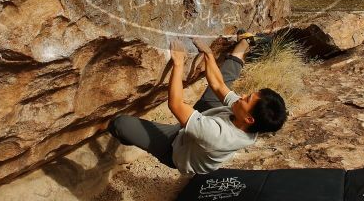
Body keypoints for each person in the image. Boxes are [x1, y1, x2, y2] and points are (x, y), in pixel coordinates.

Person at [107, 34, 287, 174]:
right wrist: (208, 54)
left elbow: (176, 105)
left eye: (248, 99)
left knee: (120, 124)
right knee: (224, 79)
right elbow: (218, 85)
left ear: (249, 119)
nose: (244, 95)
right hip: (208, 120)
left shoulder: (218, 135)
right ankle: (242, 47)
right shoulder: (244, 118)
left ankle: (124, 137)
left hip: (177, 147)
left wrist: (178, 64)